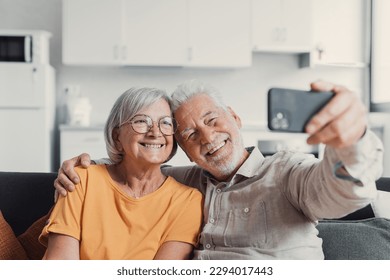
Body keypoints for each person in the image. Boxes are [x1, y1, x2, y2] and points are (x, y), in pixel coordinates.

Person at [55, 80, 383, 259]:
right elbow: (133, 175)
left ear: (235, 118)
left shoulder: (285, 172)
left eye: (213, 121)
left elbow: (341, 195)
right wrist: (84, 167)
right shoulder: (185, 182)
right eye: (191, 134)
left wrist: (351, 142)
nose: (208, 137)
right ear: (181, 148)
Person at [40, 87, 203, 260]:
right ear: (117, 136)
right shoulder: (81, 180)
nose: (155, 132)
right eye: (141, 121)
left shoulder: (187, 201)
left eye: (165, 123)